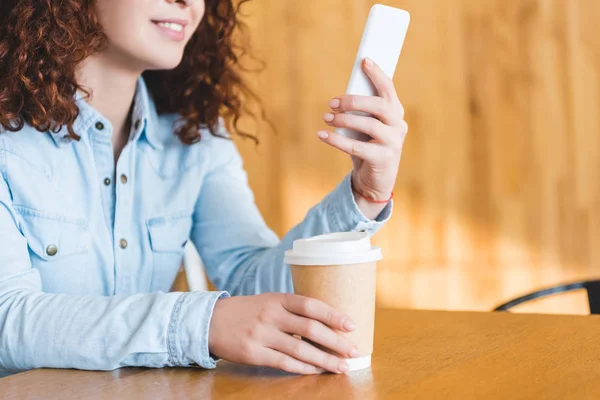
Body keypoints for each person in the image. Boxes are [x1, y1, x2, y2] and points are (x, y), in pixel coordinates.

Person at [0, 0, 408, 377]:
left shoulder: (194, 136)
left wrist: (364, 195)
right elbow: (7, 321)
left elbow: (255, 283)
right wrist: (200, 323)